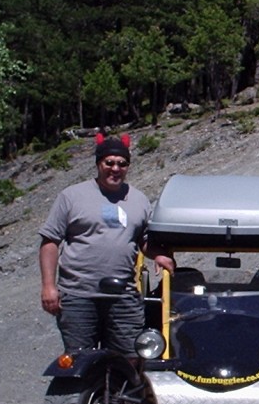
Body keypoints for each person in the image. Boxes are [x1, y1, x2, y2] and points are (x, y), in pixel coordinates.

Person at [39, 133, 174, 358]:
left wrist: (158, 255)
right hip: (78, 295)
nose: (115, 168)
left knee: (131, 359)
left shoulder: (139, 200)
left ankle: (121, 394)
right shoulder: (72, 196)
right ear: (98, 164)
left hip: (123, 296)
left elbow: (143, 241)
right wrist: (48, 286)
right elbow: (50, 241)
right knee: (79, 360)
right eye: (109, 163)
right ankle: (82, 395)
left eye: (122, 164)